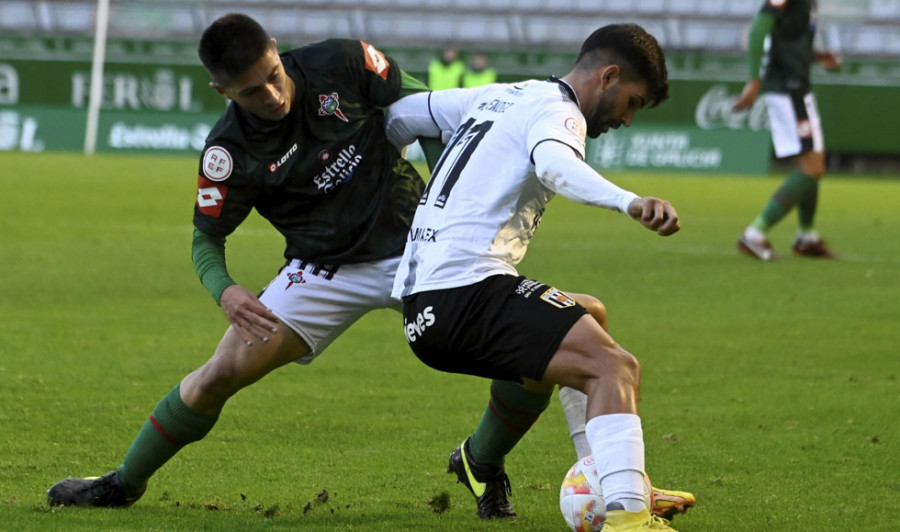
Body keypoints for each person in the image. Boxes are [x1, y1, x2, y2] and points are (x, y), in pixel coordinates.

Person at [45, 13, 434, 507]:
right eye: (251, 91)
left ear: (275, 49)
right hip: (323, 269)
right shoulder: (227, 152)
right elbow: (205, 240)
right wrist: (225, 290)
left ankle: (481, 461)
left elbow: (430, 110)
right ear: (221, 91)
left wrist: (449, 197)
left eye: (273, 76)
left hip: (416, 246)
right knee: (219, 372)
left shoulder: (344, 62)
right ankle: (123, 483)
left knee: (513, 343)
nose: (271, 95)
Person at [385, 23, 687, 531]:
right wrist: (630, 202)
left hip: (427, 305)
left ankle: (609, 480)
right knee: (616, 368)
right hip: (467, 295)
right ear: (609, 76)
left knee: (588, 313)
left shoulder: (502, 95)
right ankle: (629, 519)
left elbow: (399, 116)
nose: (628, 120)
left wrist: (393, 189)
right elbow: (554, 166)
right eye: (632, 102)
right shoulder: (559, 113)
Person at [733, 0, 841, 260]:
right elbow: (760, 27)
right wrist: (753, 80)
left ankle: (806, 236)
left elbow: (790, 36)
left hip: (798, 86)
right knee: (812, 167)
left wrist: (815, 55)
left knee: (811, 161)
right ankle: (754, 234)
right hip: (786, 87)